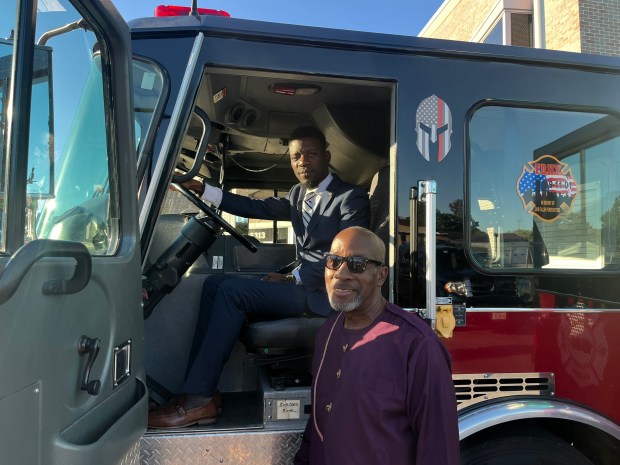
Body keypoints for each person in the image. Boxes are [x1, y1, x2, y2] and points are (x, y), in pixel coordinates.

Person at [148, 126, 370, 428]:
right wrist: (204, 189)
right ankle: (202, 392)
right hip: (303, 286)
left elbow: (346, 258)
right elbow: (255, 206)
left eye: (310, 154)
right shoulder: (296, 195)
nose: (302, 162)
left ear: (327, 157)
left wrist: (293, 279)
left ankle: (197, 401)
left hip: (325, 296)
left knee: (233, 293)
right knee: (215, 285)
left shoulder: (350, 198)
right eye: (295, 157)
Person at [294, 226, 460, 465]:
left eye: (357, 264)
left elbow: (439, 449)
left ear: (381, 275)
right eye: (334, 261)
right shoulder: (327, 332)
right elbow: (318, 422)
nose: (341, 274)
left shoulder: (417, 345)